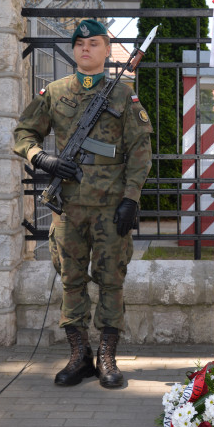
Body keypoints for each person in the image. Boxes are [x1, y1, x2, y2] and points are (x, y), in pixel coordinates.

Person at [13, 19, 153, 389]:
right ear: (73, 51)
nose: (86, 49)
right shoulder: (55, 93)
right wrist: (41, 158)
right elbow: (24, 132)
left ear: (107, 50)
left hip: (111, 208)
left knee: (111, 280)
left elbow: (140, 151)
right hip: (69, 206)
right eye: (79, 43)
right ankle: (80, 355)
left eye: (94, 43)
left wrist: (130, 199)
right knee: (71, 280)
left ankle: (107, 357)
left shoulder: (123, 95)